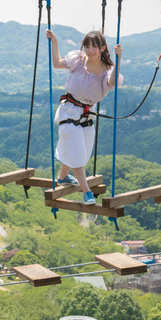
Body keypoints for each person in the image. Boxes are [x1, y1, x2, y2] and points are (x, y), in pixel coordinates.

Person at [46, 29, 123, 205]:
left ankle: (63, 177)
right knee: (77, 151)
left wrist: (119, 59)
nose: (89, 50)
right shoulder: (78, 61)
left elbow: (111, 84)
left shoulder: (107, 70)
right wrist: (55, 41)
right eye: (87, 46)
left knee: (82, 151)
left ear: (103, 48)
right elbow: (57, 63)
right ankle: (86, 192)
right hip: (68, 110)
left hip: (87, 114)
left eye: (94, 46)